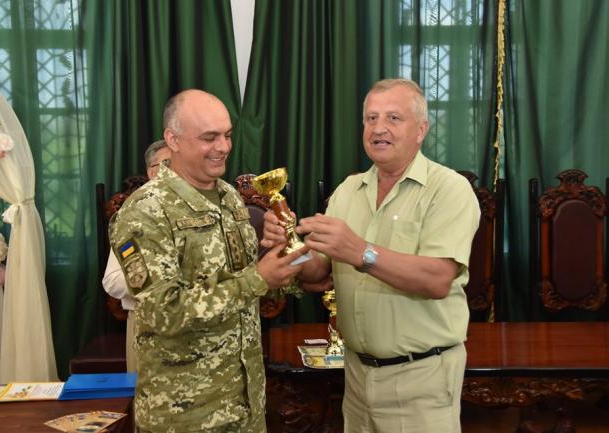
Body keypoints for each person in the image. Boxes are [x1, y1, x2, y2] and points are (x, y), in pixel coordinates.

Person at [262, 78, 480, 433]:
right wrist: (289, 246)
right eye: (371, 118)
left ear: (421, 129)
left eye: (394, 118)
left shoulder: (449, 190)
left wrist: (361, 251)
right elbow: (318, 274)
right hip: (356, 378)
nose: (379, 128)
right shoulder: (348, 191)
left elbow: (438, 279)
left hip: (421, 377)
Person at [108, 89, 305, 433]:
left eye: (227, 135)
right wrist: (258, 278)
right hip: (186, 416)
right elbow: (163, 312)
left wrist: (276, 255)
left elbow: (248, 292)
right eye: (209, 137)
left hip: (246, 407)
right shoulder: (145, 211)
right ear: (173, 140)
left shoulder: (229, 197)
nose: (224, 147)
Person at [102, 139, 171, 372]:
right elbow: (112, 281)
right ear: (152, 172)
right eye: (168, 164)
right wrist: (160, 284)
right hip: (147, 325)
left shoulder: (201, 208)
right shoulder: (134, 214)